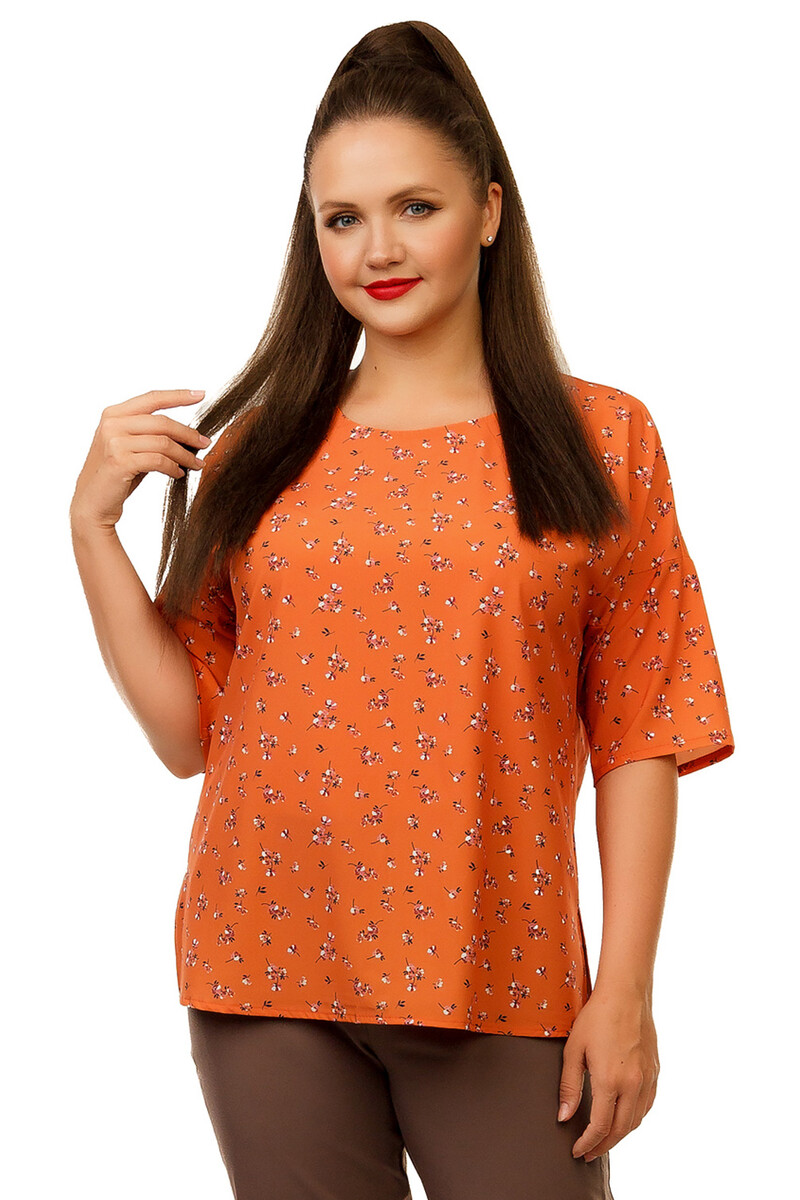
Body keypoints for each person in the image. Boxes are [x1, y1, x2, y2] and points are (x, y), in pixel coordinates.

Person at [69, 20, 735, 1200]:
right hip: (263, 968)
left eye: (413, 207)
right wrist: (91, 531)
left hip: (498, 970)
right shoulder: (260, 454)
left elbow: (642, 723)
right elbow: (187, 736)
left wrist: (624, 989)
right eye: (341, 218)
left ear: (486, 210)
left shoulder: (601, 439)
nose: (376, 248)